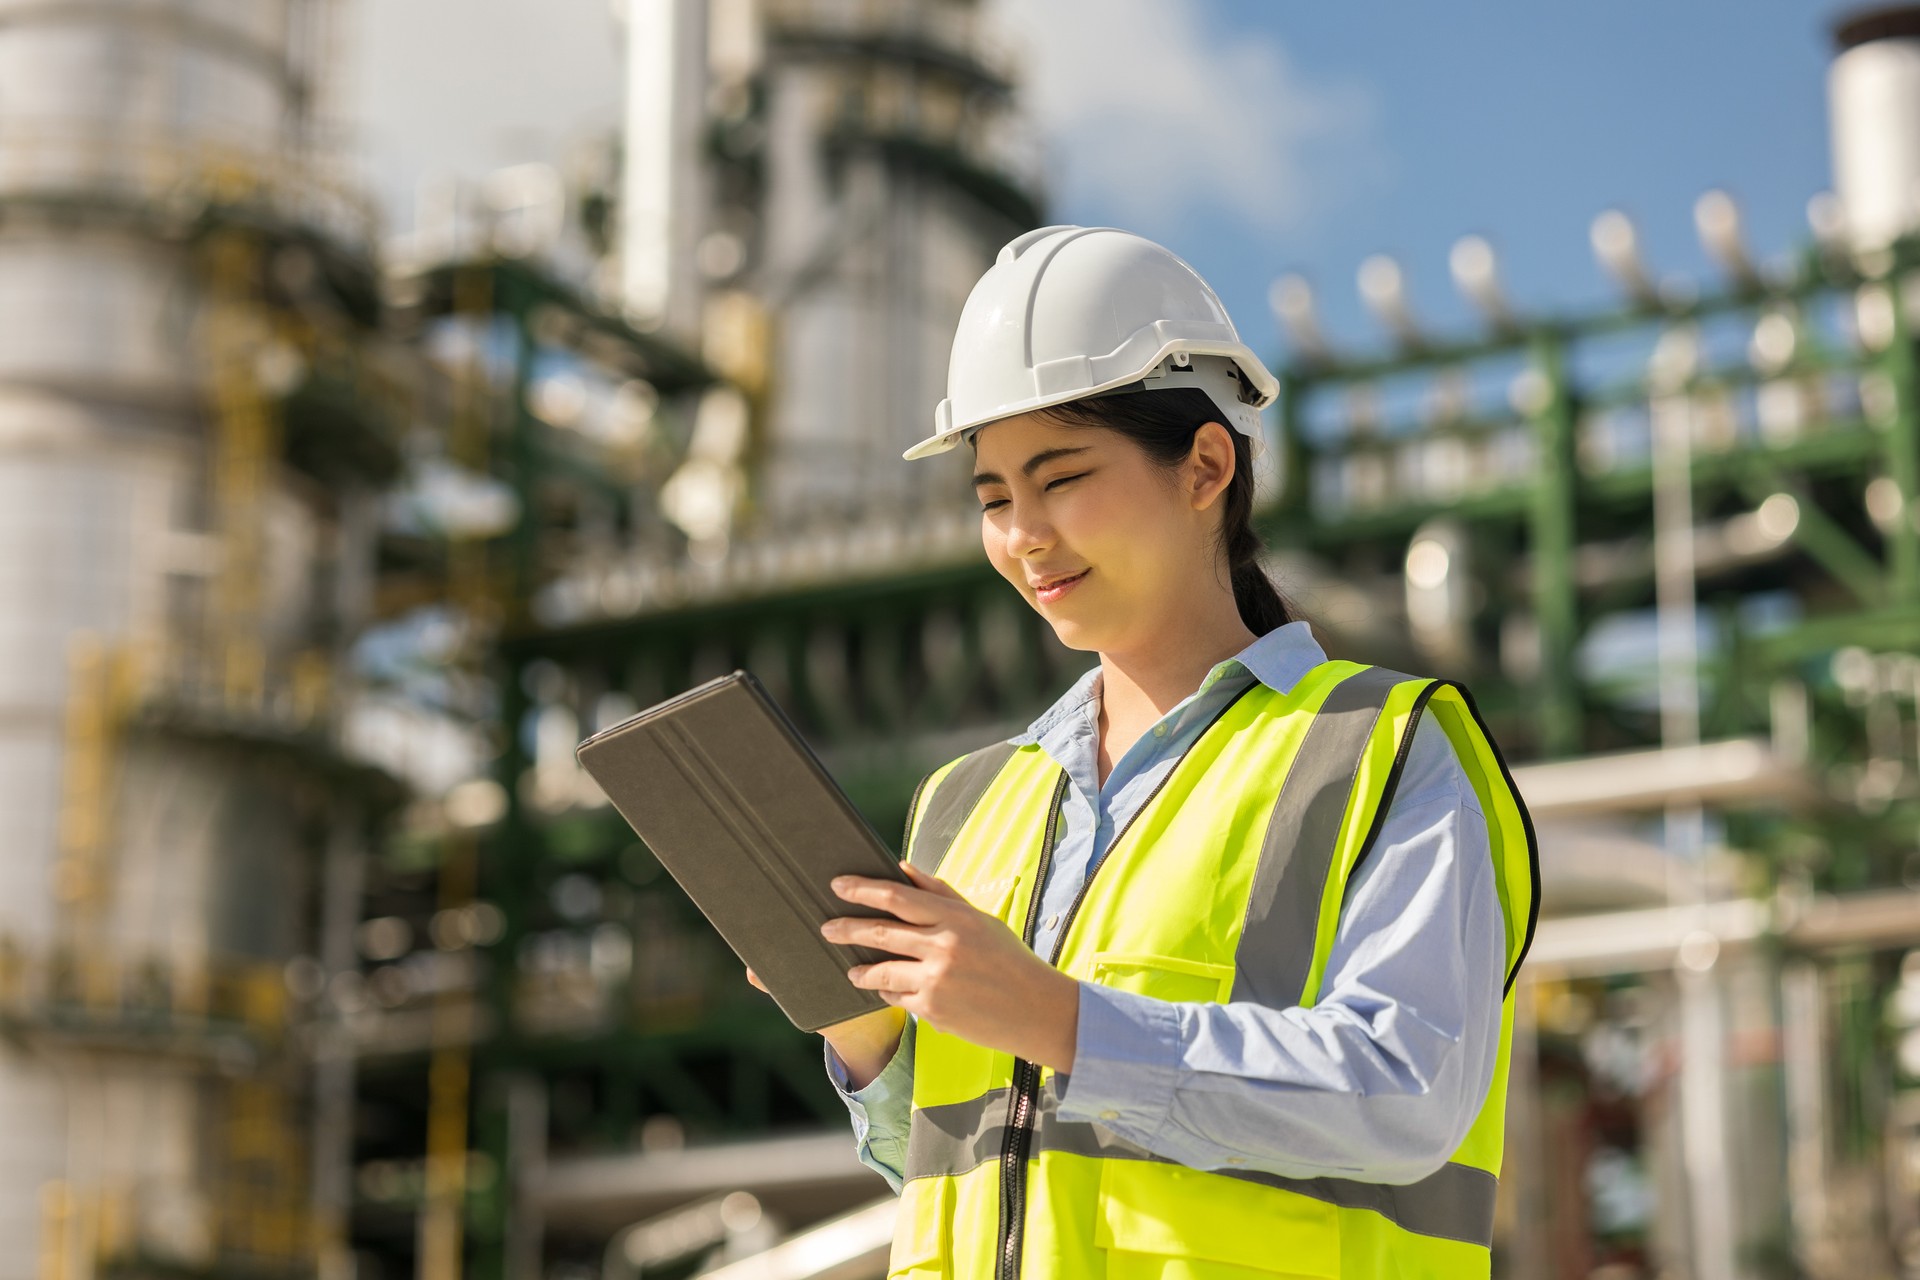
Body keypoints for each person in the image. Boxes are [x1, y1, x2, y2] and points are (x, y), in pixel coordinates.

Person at [751, 225, 1538, 1278]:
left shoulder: (1380, 749)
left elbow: (1404, 1088)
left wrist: (1059, 1017)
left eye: (1062, 477)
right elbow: (952, 1167)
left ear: (1207, 463)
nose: (1024, 532)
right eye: (993, 497)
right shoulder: (965, 803)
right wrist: (864, 1039)